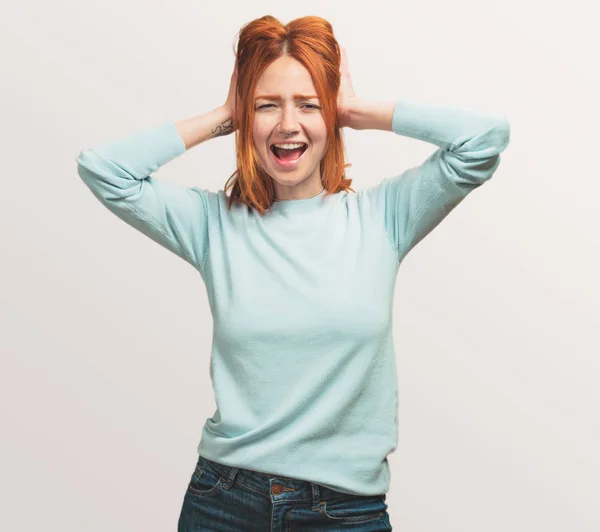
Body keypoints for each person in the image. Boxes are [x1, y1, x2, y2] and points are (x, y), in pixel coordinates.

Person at [75, 14, 510, 532]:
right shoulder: (214, 225)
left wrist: (353, 109)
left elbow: (485, 139)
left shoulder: (384, 218)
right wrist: (225, 114)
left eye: (308, 104)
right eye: (267, 105)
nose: (287, 124)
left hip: (345, 510)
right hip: (224, 500)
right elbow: (103, 169)